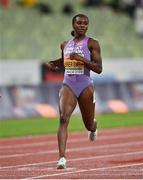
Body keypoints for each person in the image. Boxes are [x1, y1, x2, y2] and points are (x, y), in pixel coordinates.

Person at [45, 14, 102, 169]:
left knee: (88, 124)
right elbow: (64, 60)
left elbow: (98, 69)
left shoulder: (92, 43)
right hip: (68, 84)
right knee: (63, 118)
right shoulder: (65, 44)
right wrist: (53, 63)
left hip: (85, 85)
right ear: (73, 25)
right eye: (79, 23)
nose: (82, 25)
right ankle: (62, 158)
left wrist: (82, 59)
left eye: (85, 23)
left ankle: (93, 126)